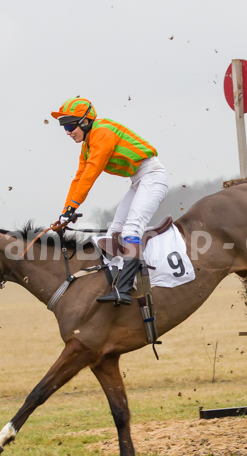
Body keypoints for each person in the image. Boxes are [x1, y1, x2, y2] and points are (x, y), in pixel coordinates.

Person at [51, 97, 170, 306]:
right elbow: (78, 178)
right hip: (139, 180)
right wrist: (65, 212)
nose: (68, 132)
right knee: (113, 231)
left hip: (152, 175)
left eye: (70, 126)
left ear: (85, 122)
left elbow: (91, 173)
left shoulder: (102, 133)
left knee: (131, 229)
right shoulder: (87, 146)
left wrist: (73, 207)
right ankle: (115, 283)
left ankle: (124, 290)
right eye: (64, 128)